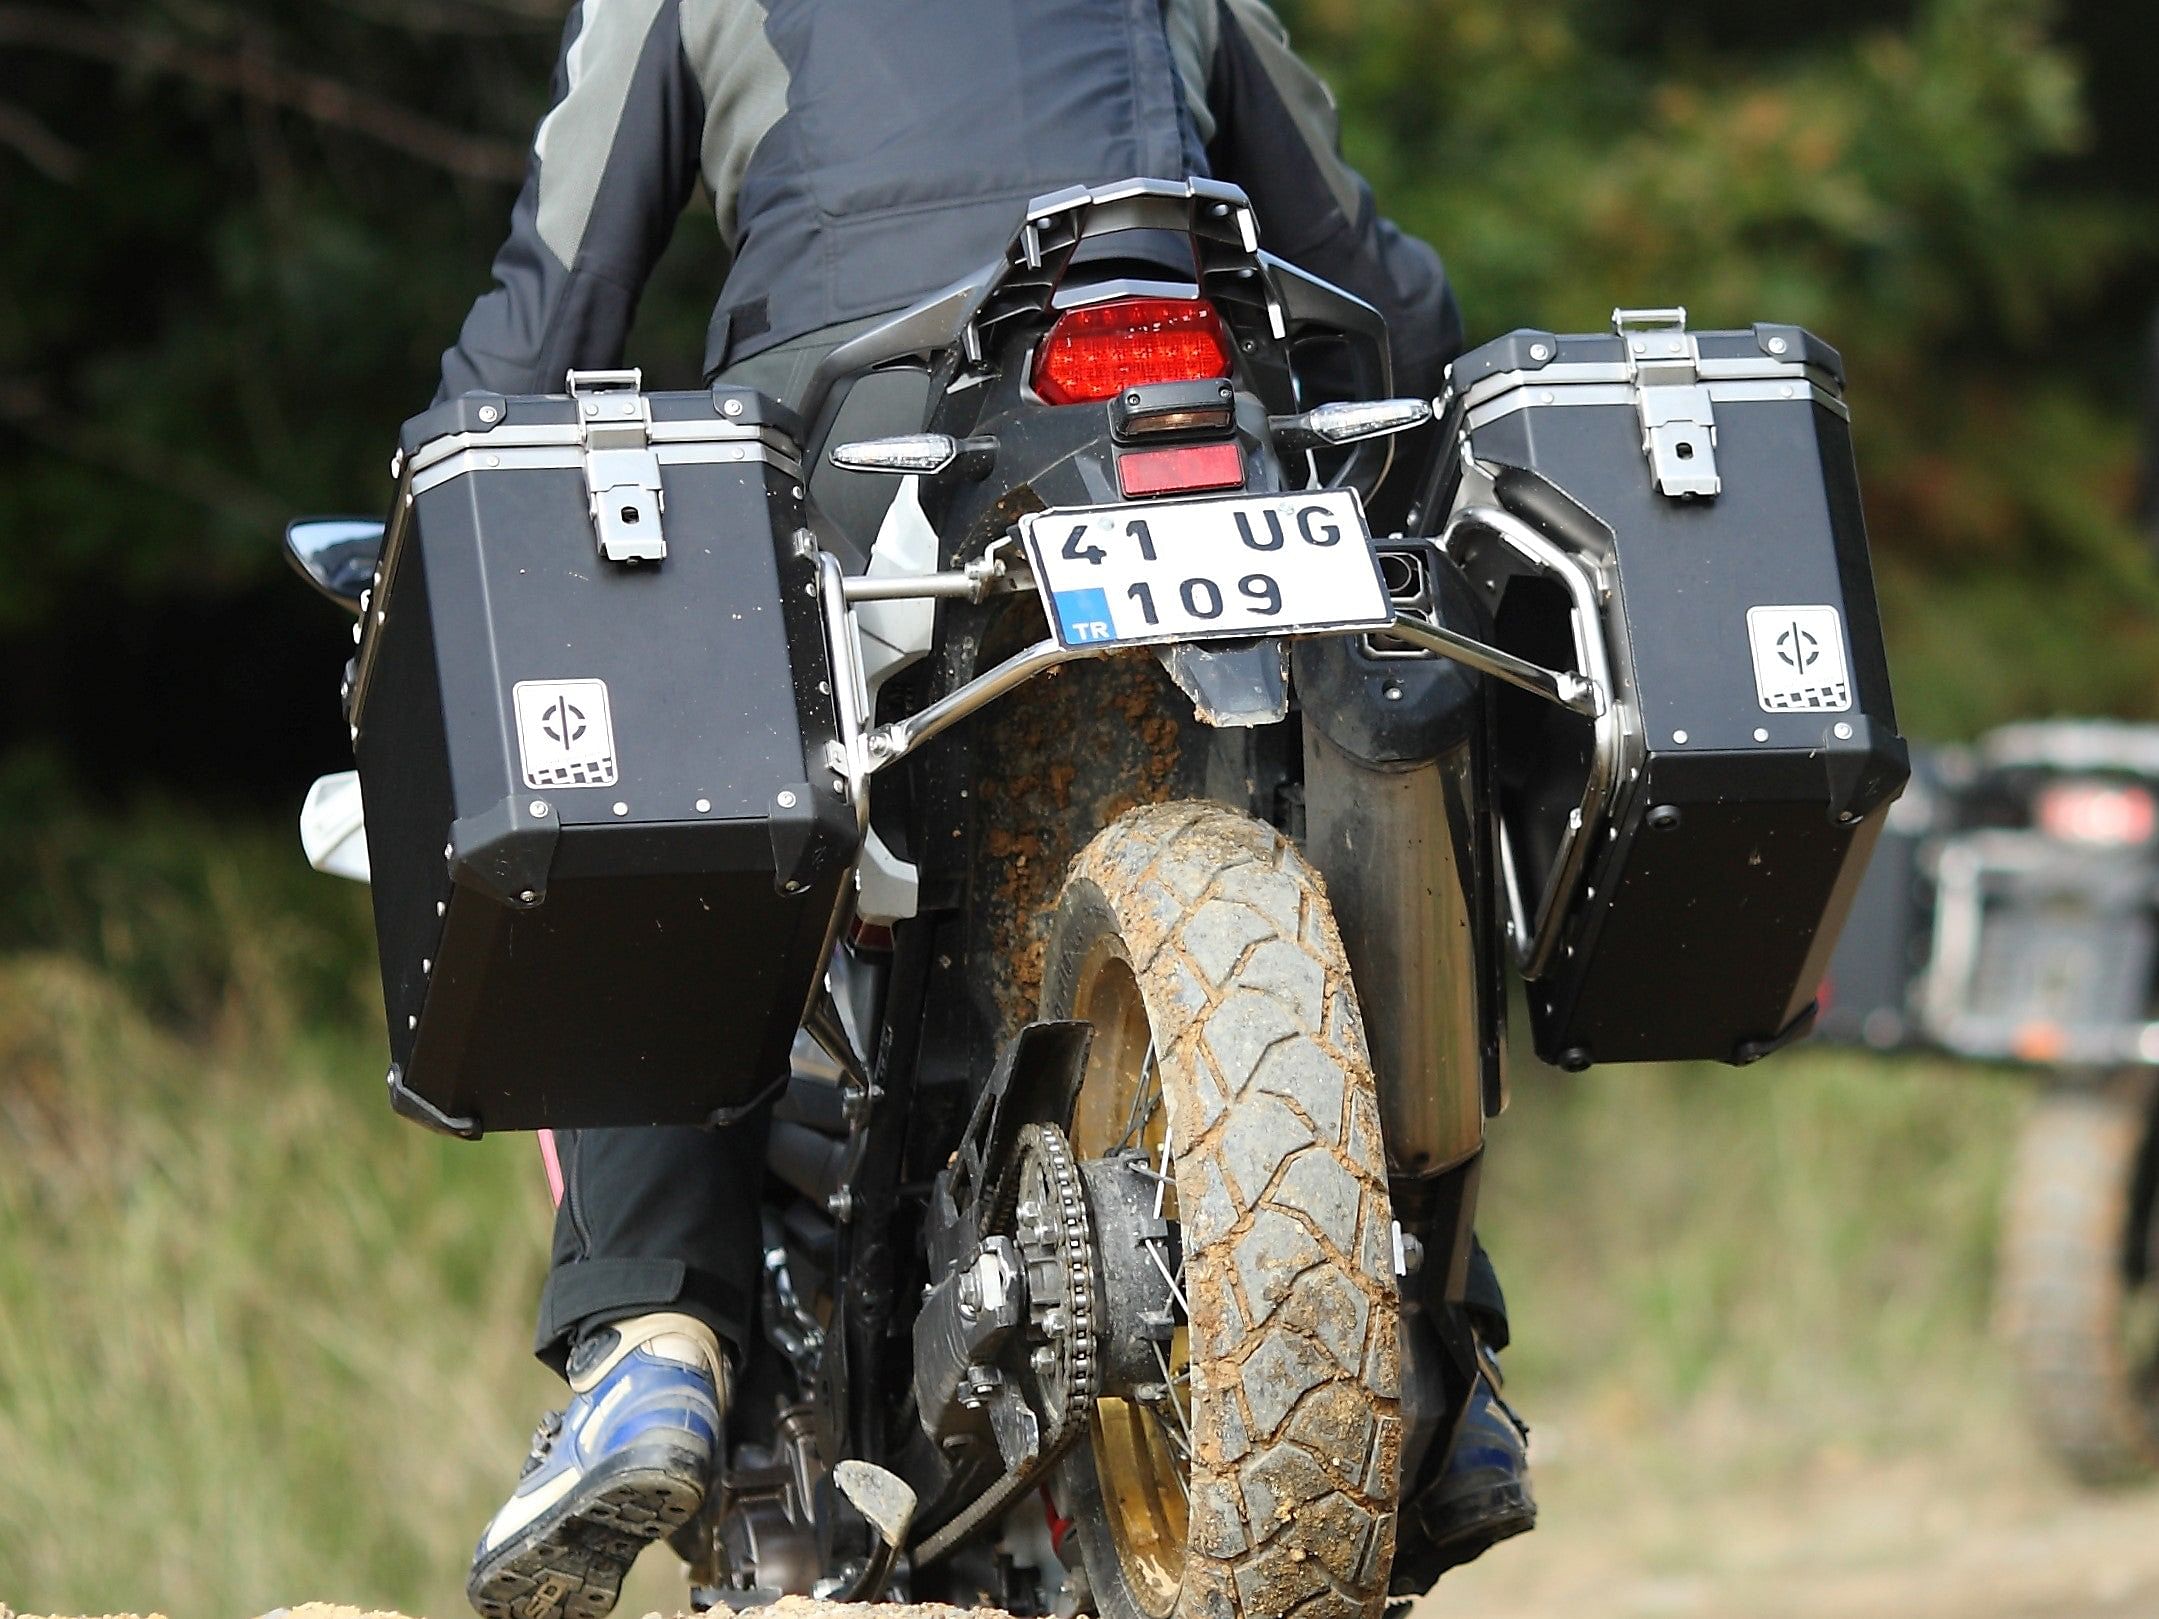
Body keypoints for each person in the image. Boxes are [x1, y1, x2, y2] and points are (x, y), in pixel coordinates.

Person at [433, 6, 1531, 1617]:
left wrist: (431, 523)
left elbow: (554, 300)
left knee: (639, 739)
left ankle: (653, 1341)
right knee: (1375, 726)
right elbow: (1353, 256)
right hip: (1204, 412)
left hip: (875, 439)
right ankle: (1440, 1342)